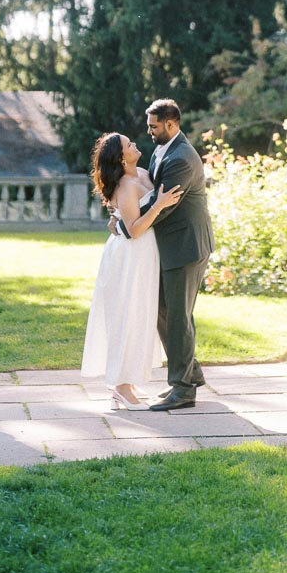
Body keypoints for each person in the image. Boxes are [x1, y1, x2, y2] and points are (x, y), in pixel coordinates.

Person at [118, 97, 215, 411]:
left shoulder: (181, 158)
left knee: (176, 317)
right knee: (165, 311)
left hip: (185, 247)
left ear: (171, 124)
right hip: (171, 248)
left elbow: (164, 207)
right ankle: (191, 373)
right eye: (149, 126)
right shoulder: (166, 150)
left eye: (154, 126)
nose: (149, 132)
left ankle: (183, 389)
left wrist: (126, 224)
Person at [81, 131, 182, 409]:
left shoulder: (141, 171)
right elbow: (134, 230)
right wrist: (159, 205)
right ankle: (121, 387)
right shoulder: (125, 185)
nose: (135, 145)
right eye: (129, 144)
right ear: (120, 156)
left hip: (144, 255)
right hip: (128, 257)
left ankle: (130, 381)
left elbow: (125, 221)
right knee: (126, 314)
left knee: (140, 314)